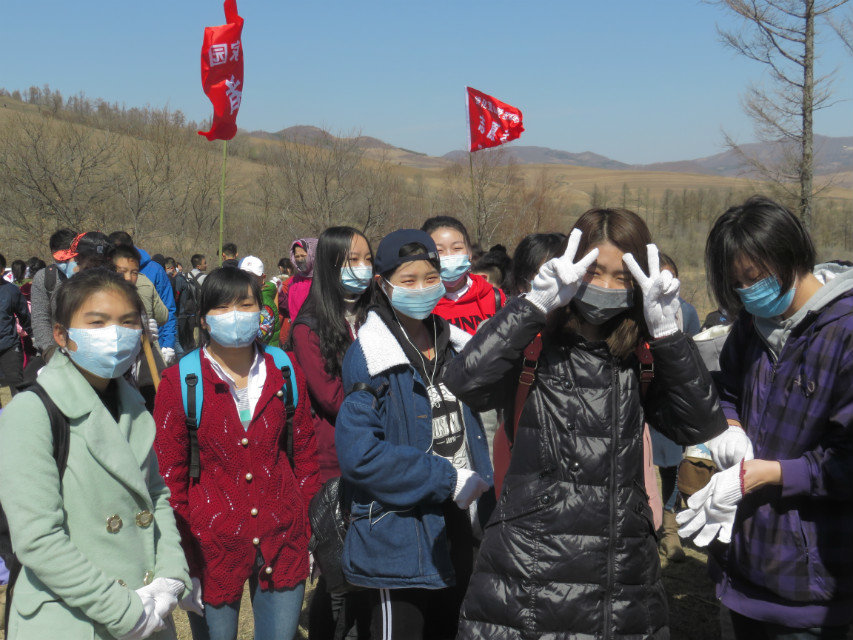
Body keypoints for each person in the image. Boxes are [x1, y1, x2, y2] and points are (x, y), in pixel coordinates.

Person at [444, 208, 727, 639]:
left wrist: (669, 336)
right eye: (594, 272)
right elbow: (465, 381)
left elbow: (701, 425)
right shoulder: (533, 340)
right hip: (527, 565)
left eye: (622, 278)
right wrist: (533, 305)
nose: (606, 287)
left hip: (621, 569)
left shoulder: (641, 355)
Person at [678, 196, 853, 638]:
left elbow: (846, 460)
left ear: (792, 254)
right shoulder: (752, 325)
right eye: (736, 284)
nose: (747, 292)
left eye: (754, 277)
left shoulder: (844, 332)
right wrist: (730, 429)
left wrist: (771, 474)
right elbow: (727, 390)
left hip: (814, 580)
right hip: (744, 562)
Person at [0, 268, 193, 639]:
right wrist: (123, 611)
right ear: (61, 334)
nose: (114, 333)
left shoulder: (133, 404)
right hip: (72, 618)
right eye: (97, 322)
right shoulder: (31, 412)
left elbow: (155, 495)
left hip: (147, 606)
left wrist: (171, 575)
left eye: (127, 322)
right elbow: (38, 539)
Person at [335, 229, 495, 640]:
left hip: (458, 522)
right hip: (398, 532)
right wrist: (445, 478)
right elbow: (360, 455)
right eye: (408, 280)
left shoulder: (456, 346)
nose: (421, 288)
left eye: (430, 278)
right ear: (382, 285)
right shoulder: (370, 356)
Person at [153, 266, 320, 640]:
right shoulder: (180, 382)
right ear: (203, 319)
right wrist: (184, 558)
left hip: (284, 537)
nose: (235, 315)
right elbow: (169, 478)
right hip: (209, 548)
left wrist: (309, 531)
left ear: (261, 312)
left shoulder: (285, 369)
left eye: (245, 305)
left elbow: (305, 455)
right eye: (223, 307)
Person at [288, 226, 374, 639]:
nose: (362, 268)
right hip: (335, 457)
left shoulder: (379, 315)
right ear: (328, 265)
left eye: (367, 259)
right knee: (337, 570)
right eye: (350, 260)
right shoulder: (309, 326)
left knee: (369, 566)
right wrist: (384, 402)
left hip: (378, 453)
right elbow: (332, 397)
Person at [646, 251, 702, 562]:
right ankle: (642, 527)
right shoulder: (636, 311)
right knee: (636, 468)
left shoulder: (687, 312)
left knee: (673, 469)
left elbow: (695, 358)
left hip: (672, 402)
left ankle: (670, 530)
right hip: (641, 399)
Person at [421, 216, 505, 335]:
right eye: (439, 250)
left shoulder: (494, 297)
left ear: (469, 252)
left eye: (457, 248)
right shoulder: (419, 303)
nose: (449, 256)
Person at [108, 232, 177, 361]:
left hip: (150, 348)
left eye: (134, 272)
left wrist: (168, 344)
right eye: (122, 272)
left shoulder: (154, 270)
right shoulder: (102, 280)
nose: (128, 278)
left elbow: (168, 310)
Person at [30, 228, 77, 355]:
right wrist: (50, 352)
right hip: (58, 349)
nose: (67, 263)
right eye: (61, 260)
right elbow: (40, 318)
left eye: (70, 257)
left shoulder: (89, 273)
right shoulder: (44, 278)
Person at [0, 253, 31, 400]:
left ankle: (21, 412)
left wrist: (33, 336)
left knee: (18, 389)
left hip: (9, 346)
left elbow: (24, 315)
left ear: (2, 271)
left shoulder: (11, 291)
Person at [240, 256, 282, 347]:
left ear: (263, 278)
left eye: (253, 277)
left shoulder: (264, 305)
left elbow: (258, 336)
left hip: (263, 353)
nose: (248, 281)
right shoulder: (239, 299)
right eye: (243, 277)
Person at [287, 238, 318, 322]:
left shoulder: (323, 280)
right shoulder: (294, 281)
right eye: (297, 256)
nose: (300, 259)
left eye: (303, 256)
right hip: (296, 326)